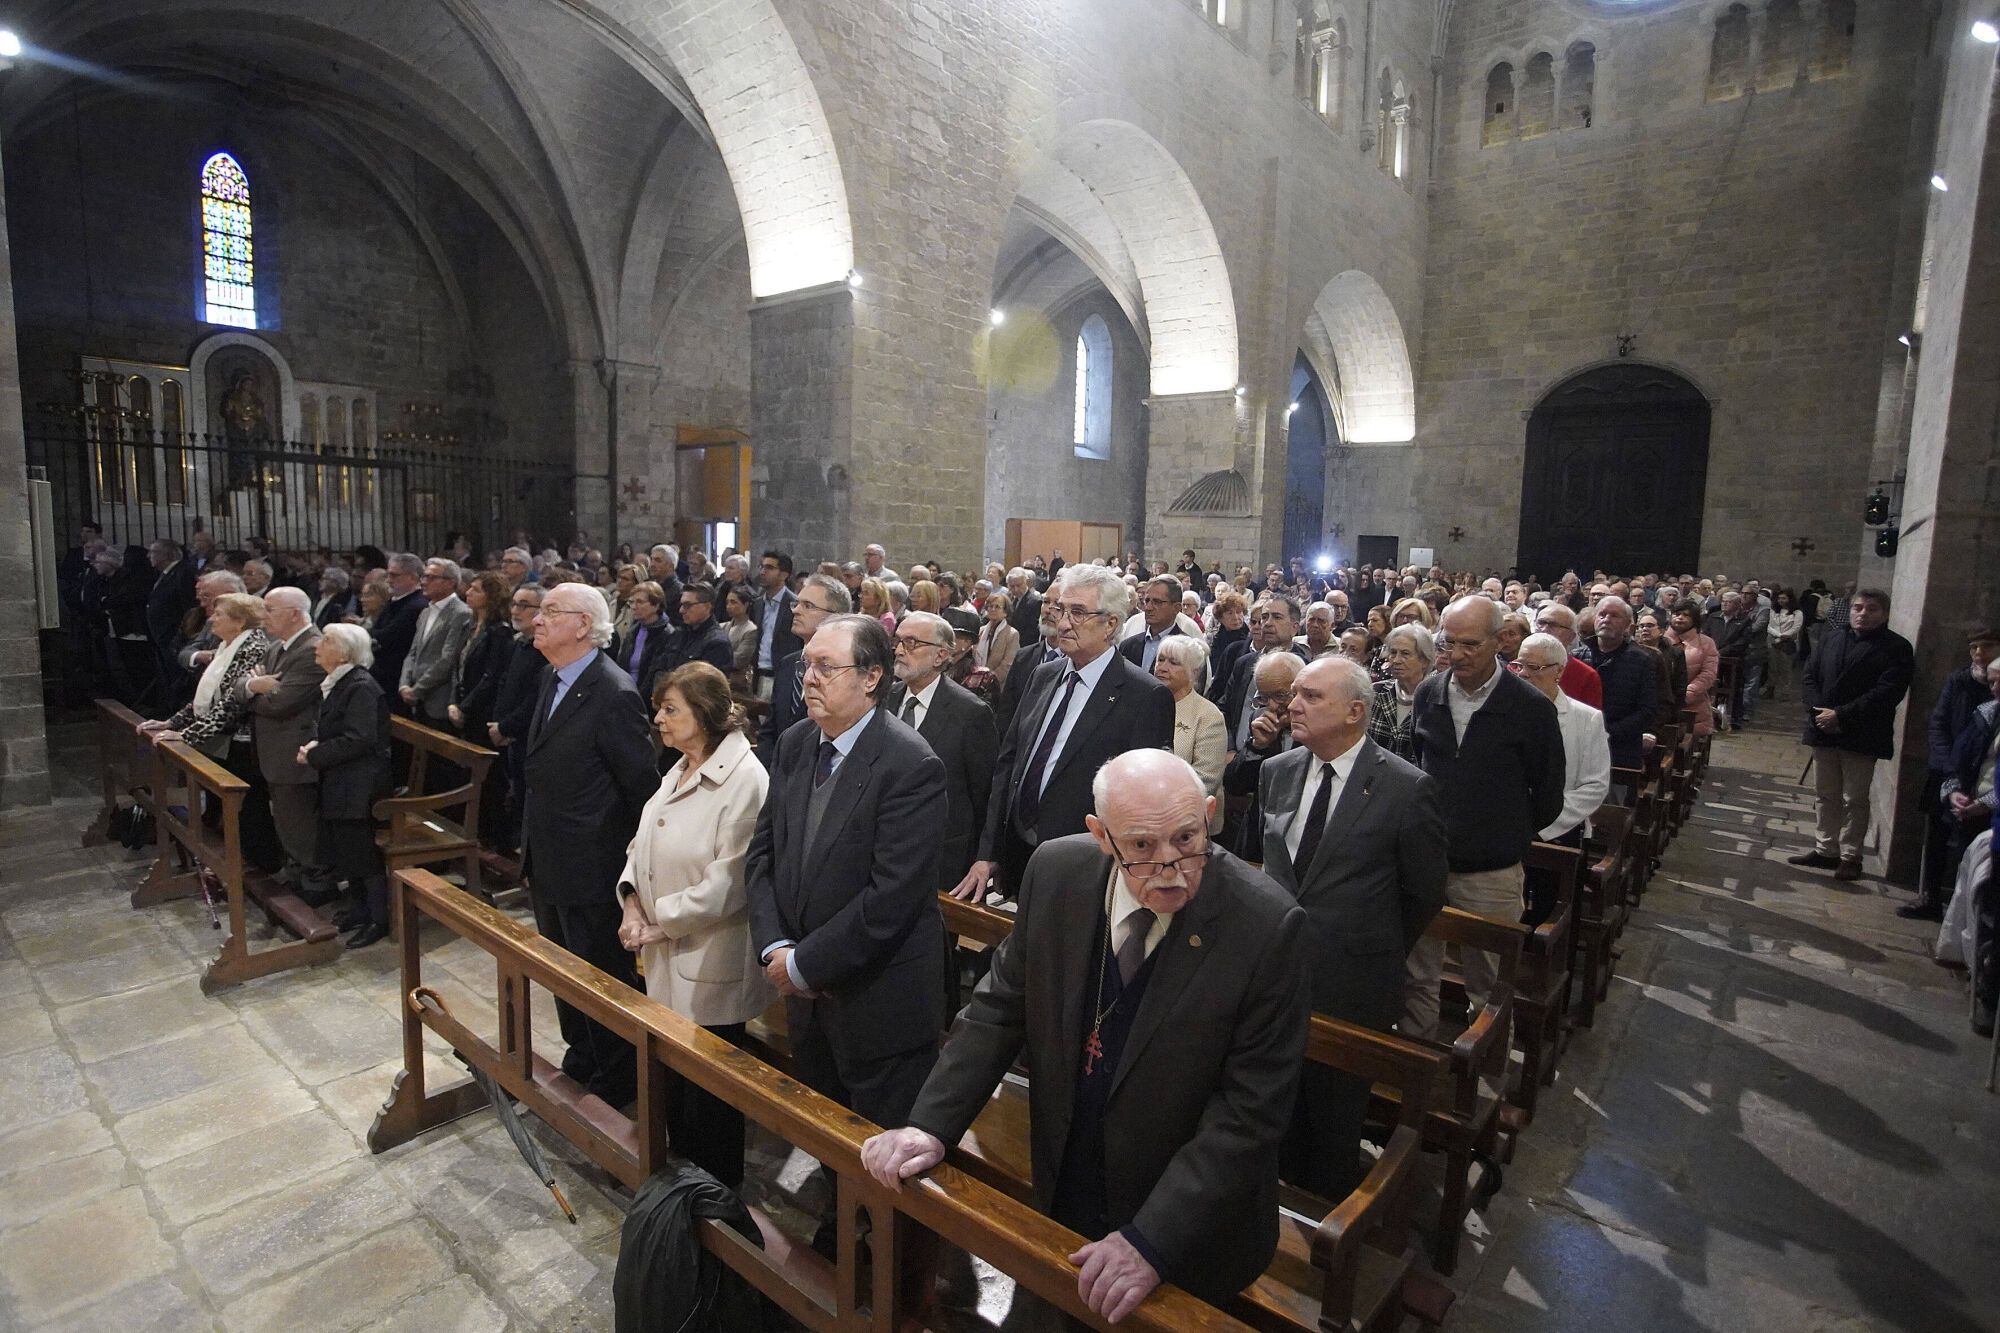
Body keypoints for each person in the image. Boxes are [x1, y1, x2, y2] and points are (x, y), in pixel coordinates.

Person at [863, 751, 1311, 1321]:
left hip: (1187, 1227)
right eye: (1143, 847)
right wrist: (929, 1124)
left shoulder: (1267, 925)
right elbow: (999, 1010)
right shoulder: (1057, 873)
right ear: (1101, 836)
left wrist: (1152, 1239)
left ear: (1210, 813)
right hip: (1067, 1178)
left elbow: (1249, 1113)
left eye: (1186, 837)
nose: (1170, 865)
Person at [746, 614, 947, 1258]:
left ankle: (894, 1263)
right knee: (828, 1129)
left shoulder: (911, 763)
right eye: (806, 664)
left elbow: (890, 901)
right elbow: (763, 854)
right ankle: (839, 1220)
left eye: (825, 667)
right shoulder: (797, 742)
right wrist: (776, 947)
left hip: (878, 997)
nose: (807, 678)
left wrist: (805, 962)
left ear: (871, 677)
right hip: (806, 992)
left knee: (883, 1149)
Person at [1259, 656, 1448, 1195]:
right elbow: (1272, 869)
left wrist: (1372, 948)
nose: (1293, 704)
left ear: (1356, 712)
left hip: (1353, 983)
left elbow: (1424, 893)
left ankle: (1324, 1232)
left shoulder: (1405, 788)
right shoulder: (1279, 770)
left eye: (1312, 697)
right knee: (1272, 1105)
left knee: (1334, 1118)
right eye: (1294, 693)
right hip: (1276, 974)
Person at [615, 662, 774, 1186]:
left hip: (709, 960)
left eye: (670, 709)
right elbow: (642, 843)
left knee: (709, 1101)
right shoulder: (680, 766)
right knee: (673, 1087)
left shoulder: (744, 779)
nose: (658, 718)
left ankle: (713, 1205)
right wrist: (632, 905)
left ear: (704, 715)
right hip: (665, 950)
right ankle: (674, 1193)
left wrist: (659, 923)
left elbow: (730, 882)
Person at [957, 566, 1175, 903]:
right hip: (1016, 853)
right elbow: (1009, 765)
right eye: (1061, 610)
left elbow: (1139, 804)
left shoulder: (1143, 695)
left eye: (1078, 612)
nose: (1063, 623)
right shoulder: (1042, 675)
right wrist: (988, 851)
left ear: (1111, 625)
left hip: (1083, 870)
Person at [521, 583, 661, 1104]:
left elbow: (639, 788)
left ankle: (619, 1077)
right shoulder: (550, 676)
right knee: (562, 969)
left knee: (599, 973)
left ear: (583, 625)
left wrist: (627, 878)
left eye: (550, 612)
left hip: (591, 863)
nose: (537, 619)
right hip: (547, 852)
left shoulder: (613, 692)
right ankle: (581, 1055)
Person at [1402, 596, 1566, 1041]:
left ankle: (1487, 1083)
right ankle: (1413, 1068)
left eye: (1470, 644)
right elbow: (1419, 770)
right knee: (1418, 976)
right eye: (1448, 642)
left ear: (1499, 642)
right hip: (1428, 861)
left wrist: (1504, 832)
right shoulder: (1430, 692)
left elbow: (1548, 794)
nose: (1456, 655)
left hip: (1491, 870)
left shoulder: (1530, 707)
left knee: (1489, 984)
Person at [1789, 588, 1915, 882]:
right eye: (1858, 607)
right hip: (1824, 727)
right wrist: (1818, 711)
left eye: (1871, 609)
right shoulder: (1833, 637)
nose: (1863, 613)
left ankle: (1850, 856)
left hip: (1861, 730)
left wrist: (1841, 715)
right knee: (1825, 794)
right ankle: (1825, 849)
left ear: (1884, 614)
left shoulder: (1896, 647)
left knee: (1854, 797)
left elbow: (1887, 691)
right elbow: (1810, 675)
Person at [889, 611, 999, 901]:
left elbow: (985, 794)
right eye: (898, 641)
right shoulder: (885, 699)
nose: (899, 650)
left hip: (941, 857)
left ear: (940, 656)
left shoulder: (970, 712)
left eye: (911, 643)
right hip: (885, 851)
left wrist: (983, 856)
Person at [300, 624, 395, 947]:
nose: (317, 645)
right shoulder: (341, 683)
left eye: (325, 641)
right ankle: (358, 908)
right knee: (345, 850)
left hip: (361, 784)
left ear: (344, 651)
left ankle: (379, 918)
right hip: (342, 780)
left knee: (362, 853)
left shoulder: (361, 686)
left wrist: (315, 755)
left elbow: (360, 738)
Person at [235, 587, 327, 890]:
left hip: (294, 750)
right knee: (286, 821)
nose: (262, 617)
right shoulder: (278, 647)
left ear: (295, 614)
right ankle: (296, 873)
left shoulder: (313, 649)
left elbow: (281, 703)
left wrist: (255, 689)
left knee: (300, 823)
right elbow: (241, 685)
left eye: (270, 609)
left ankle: (315, 883)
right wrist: (254, 686)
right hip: (274, 749)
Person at [1914, 630, 2000, 919]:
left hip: (1984, 782)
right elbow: (1939, 724)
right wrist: (1950, 770)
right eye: (1973, 647)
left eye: (1986, 647)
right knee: (1937, 836)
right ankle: (1929, 897)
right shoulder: (1959, 680)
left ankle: (1961, 914)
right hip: (1949, 771)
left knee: (1970, 848)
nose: (1978, 653)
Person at [141, 592, 270, 762]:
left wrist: (187, 735)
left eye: (218, 614)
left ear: (239, 622)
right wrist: (171, 723)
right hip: (218, 737)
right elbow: (206, 697)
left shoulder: (253, 648)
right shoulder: (225, 646)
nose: (210, 620)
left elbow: (231, 703)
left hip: (241, 742)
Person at [1515, 634, 1611, 845]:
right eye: (1518, 665)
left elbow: (1595, 785)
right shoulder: (1503, 710)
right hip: (1503, 826)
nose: (1523, 674)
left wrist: (1540, 824)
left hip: (1557, 830)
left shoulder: (1586, 718)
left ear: (1558, 671)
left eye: (1533, 667)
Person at [755, 574, 852, 763]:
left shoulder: (843, 670)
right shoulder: (788, 664)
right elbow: (770, 728)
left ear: (836, 617)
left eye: (808, 606)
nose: (796, 611)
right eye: (796, 604)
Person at [1574, 597, 1657, 774]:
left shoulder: (1641, 660)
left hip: (1620, 749)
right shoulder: (1576, 656)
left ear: (1627, 625)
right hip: (1578, 746)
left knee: (1614, 800)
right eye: (1602, 614)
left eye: (1614, 616)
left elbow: (1647, 710)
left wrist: (1608, 732)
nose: (1606, 620)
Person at [1153, 635, 1226, 835]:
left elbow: (1206, 779)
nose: (1163, 667)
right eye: (1160, 659)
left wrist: (1159, 806)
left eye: (1174, 663)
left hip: (1187, 824)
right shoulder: (1145, 704)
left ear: (1193, 672)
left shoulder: (1208, 715)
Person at [398, 558, 473, 726]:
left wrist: (417, 690)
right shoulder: (425, 612)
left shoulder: (460, 613)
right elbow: (413, 652)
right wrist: (404, 685)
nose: (424, 582)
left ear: (450, 582)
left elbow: (448, 658)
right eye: (424, 576)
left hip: (438, 699)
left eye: (431, 577)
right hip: (417, 698)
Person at [1367, 622, 1434, 763]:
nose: (1396, 660)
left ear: (1424, 661)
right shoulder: (1375, 692)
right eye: (1393, 653)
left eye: (1405, 654)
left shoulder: (1434, 698)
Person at [369, 553, 426, 698]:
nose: (389, 580)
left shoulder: (416, 605)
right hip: (383, 674)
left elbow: (387, 636)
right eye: (388, 575)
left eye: (394, 576)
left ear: (412, 577)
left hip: (397, 675)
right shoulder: (395, 600)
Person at [1532, 602, 1604, 710]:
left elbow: (1590, 721)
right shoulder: (1515, 668)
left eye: (1553, 625)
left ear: (1571, 636)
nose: (1544, 629)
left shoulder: (1586, 676)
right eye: (1541, 623)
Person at [613, 581, 674, 704]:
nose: (634, 606)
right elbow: (621, 665)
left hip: (644, 701)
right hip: (625, 693)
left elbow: (655, 677)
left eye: (639, 602)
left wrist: (634, 700)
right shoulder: (633, 631)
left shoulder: (667, 634)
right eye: (632, 602)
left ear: (656, 605)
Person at [751, 550, 801, 700]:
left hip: (783, 675)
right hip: (759, 674)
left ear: (784, 575)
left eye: (769, 568)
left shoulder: (795, 605)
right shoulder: (758, 603)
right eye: (761, 567)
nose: (763, 572)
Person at [1667, 605, 1719, 737]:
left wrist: (1686, 694)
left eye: (1686, 615)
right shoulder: (1661, 640)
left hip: (1692, 705)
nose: (1680, 618)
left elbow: (1708, 674)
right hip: (1662, 703)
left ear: (1695, 619)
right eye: (1677, 614)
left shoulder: (1706, 643)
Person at [1118, 576, 1186, 672]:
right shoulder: (1128, 646)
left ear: (1176, 608)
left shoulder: (1188, 649)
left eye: (1157, 602)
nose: (1148, 608)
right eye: (1146, 601)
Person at [976, 590, 1021, 691]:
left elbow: (1008, 664)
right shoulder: (981, 630)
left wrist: (988, 680)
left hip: (996, 687)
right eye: (990, 606)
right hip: (976, 683)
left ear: (1005, 612)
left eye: (997, 607)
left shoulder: (1012, 634)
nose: (992, 609)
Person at [722, 585, 759, 690]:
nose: (728, 606)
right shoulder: (723, 626)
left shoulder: (751, 630)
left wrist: (719, 654)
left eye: (733, 602)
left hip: (737, 682)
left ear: (746, 605)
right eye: (727, 602)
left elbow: (739, 660)